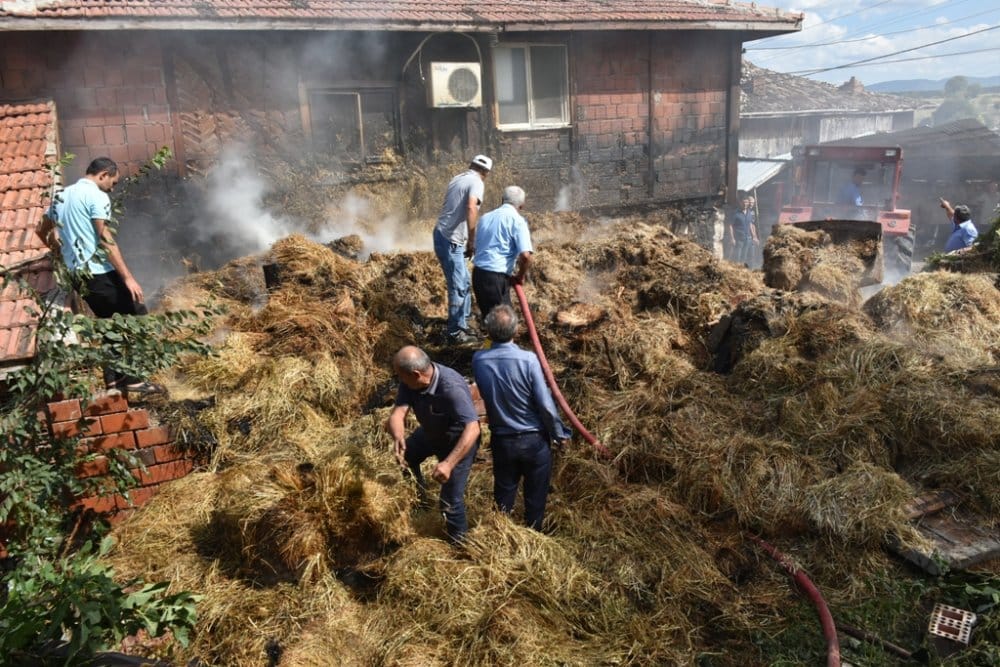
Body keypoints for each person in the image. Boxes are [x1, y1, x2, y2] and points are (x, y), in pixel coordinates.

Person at [35, 157, 160, 394]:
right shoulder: (97, 196)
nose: (113, 188)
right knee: (136, 313)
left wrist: (57, 249)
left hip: (77, 275)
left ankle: (112, 382)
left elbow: (41, 229)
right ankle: (133, 378)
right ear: (103, 175)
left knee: (107, 321)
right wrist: (128, 278)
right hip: (98, 272)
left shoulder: (61, 196)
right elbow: (105, 239)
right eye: (113, 182)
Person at [471, 304, 570, 531]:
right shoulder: (529, 360)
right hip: (533, 440)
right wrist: (559, 434)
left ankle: (501, 536)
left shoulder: (479, 360)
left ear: (488, 332)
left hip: (502, 440)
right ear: (516, 331)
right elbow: (545, 405)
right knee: (536, 495)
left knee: (504, 495)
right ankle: (533, 534)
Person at [385, 346, 481, 543]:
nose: (399, 379)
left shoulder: (451, 387)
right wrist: (398, 436)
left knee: (450, 501)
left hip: (458, 441)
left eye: (400, 375)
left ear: (416, 374)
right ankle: (418, 499)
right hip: (431, 432)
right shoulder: (410, 383)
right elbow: (398, 413)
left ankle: (459, 544)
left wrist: (448, 463)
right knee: (406, 456)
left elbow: (473, 428)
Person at [434, 155, 492, 344]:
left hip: (444, 235)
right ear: (485, 173)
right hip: (451, 239)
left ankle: (463, 323)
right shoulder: (476, 182)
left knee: (464, 281)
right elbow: (471, 207)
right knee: (458, 285)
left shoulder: (458, 178)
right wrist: (472, 240)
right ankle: (455, 332)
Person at [472, 185, 533, 321]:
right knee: (504, 324)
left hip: (478, 275)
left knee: (492, 322)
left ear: (502, 200)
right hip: (496, 277)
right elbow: (525, 256)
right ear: (522, 206)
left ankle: (490, 343)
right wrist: (520, 275)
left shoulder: (485, 218)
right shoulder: (518, 221)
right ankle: (496, 342)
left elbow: (475, 247)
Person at [727, 195, 758, 266]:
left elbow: (750, 224)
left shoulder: (749, 212)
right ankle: (735, 271)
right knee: (737, 258)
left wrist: (754, 236)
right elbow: (730, 226)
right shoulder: (735, 213)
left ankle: (741, 272)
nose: (745, 204)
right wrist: (732, 238)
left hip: (747, 239)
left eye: (746, 202)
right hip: (739, 240)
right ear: (740, 203)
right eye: (743, 202)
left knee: (743, 258)